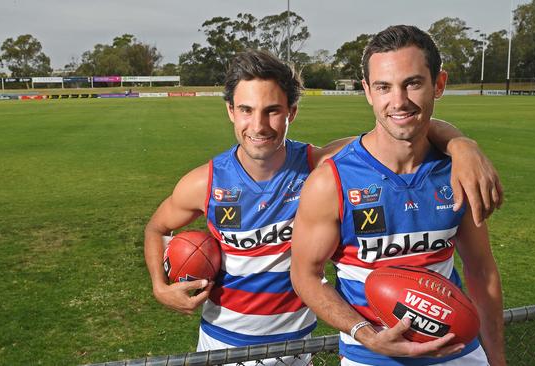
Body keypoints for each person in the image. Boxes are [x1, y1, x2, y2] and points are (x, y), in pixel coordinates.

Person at [145, 49, 503, 364]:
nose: (258, 125)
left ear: (292, 113)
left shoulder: (320, 165)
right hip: (223, 343)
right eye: (246, 110)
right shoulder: (204, 182)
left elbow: (403, 128)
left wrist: (460, 144)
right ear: (230, 112)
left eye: (272, 111)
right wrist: (160, 286)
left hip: (298, 345)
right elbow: (157, 228)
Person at [290, 25, 505, 366]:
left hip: (458, 352)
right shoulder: (331, 182)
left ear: (439, 84)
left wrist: (497, 359)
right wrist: (365, 333)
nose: (399, 101)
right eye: (384, 87)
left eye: (413, 83)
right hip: (371, 357)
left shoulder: (457, 171)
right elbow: (304, 275)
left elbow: (481, 271)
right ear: (367, 91)